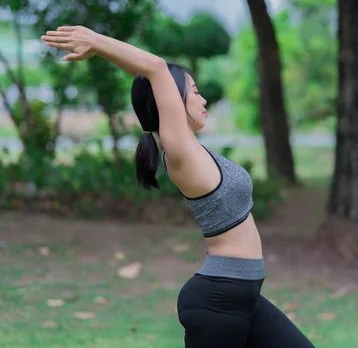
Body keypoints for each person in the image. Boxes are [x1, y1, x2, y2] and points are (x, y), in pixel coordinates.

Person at [41, 25, 316, 348]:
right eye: (194, 91)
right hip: (219, 302)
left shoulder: (198, 151)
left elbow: (153, 75)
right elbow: (155, 68)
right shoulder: (180, 152)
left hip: (244, 296)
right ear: (171, 101)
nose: (203, 98)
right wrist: (97, 42)